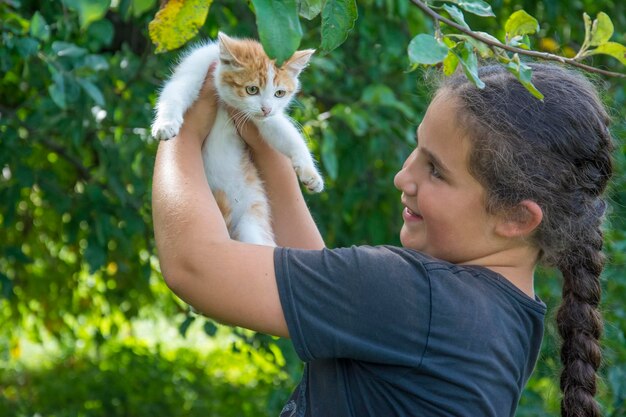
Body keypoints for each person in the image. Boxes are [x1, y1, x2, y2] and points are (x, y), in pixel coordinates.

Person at [151, 63, 613, 417]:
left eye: (435, 170)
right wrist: (260, 130)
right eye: (417, 149)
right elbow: (327, 289)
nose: (402, 177)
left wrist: (184, 120)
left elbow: (194, 265)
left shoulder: (418, 299)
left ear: (516, 217)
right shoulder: (498, 316)